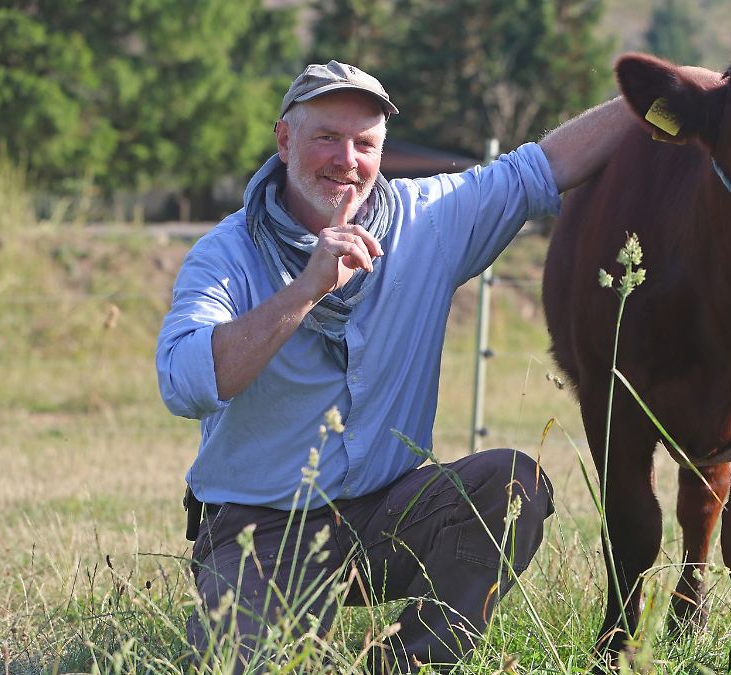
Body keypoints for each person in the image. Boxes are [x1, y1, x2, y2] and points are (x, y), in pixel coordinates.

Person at [156, 60, 635, 672]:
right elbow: (186, 383)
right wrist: (304, 291)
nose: (345, 159)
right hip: (258, 528)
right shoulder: (225, 254)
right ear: (284, 140)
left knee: (511, 486)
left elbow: (540, 168)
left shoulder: (427, 220)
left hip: (385, 514)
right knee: (250, 665)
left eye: (365, 143)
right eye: (326, 137)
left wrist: (678, 88)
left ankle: (406, 663)